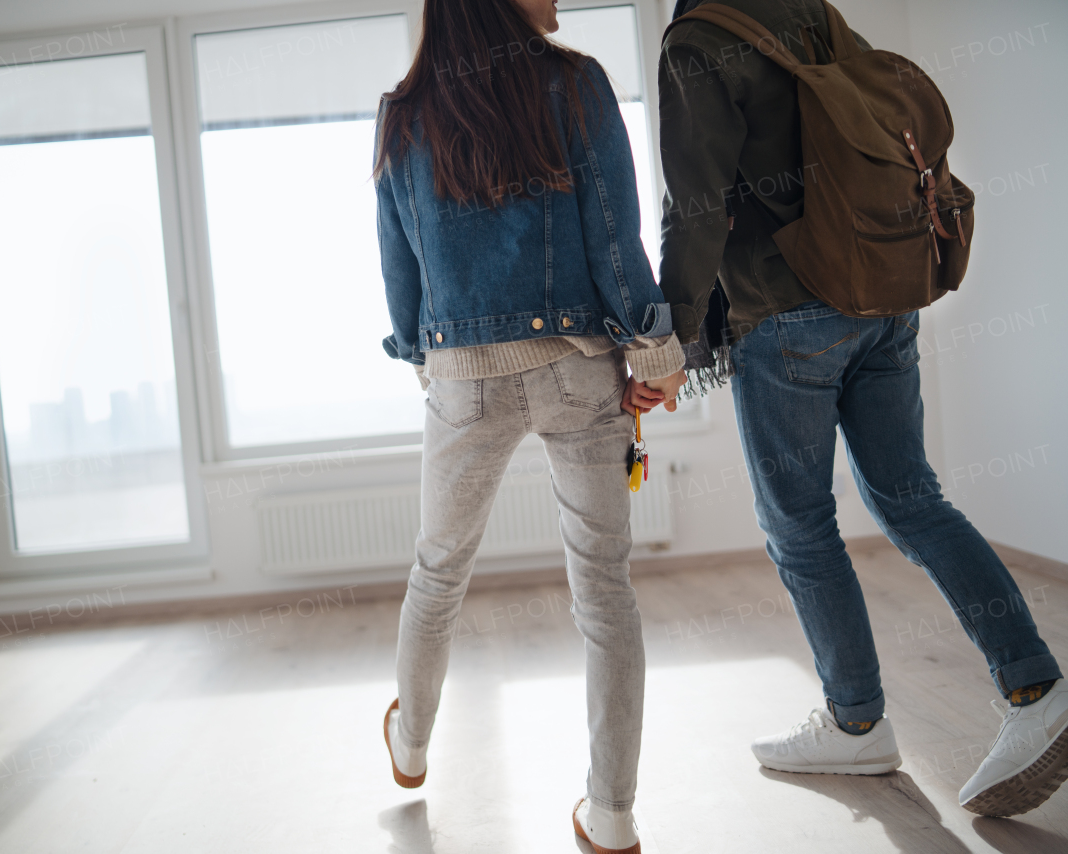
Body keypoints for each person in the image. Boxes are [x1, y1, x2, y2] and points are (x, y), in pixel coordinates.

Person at [657, 0, 1066, 818]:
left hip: (786, 310)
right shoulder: (805, 8)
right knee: (912, 496)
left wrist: (673, 343)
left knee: (799, 525)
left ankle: (856, 723)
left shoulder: (697, 40)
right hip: (882, 291)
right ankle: (1036, 686)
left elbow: (696, 207)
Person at [374, 0, 687, 849]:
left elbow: (401, 281)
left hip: (460, 380)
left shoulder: (403, 116)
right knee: (605, 591)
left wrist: (431, 362)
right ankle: (613, 816)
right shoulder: (576, 84)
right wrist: (653, 355)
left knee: (437, 572)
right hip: (577, 367)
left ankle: (409, 743)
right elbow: (616, 245)